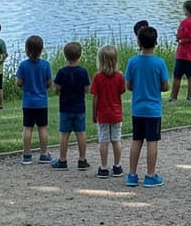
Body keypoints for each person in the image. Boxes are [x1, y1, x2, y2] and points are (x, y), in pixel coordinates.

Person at [124, 25, 169, 187]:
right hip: (153, 110)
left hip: (137, 109)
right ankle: (150, 175)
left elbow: (128, 85)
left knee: (136, 140)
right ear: (156, 42)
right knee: (152, 141)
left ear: (138, 42)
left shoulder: (132, 62)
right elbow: (165, 86)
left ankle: (132, 174)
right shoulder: (159, 63)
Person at [50, 42, 91, 170]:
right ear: (80, 56)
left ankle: (62, 160)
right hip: (79, 107)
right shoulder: (83, 72)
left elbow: (56, 89)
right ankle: (82, 159)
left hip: (65, 108)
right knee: (81, 133)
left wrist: (60, 91)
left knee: (64, 134)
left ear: (65, 56)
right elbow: (87, 89)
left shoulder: (62, 72)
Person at [15, 35, 53, 164]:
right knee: (42, 128)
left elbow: (19, 82)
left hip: (28, 102)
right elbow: (49, 82)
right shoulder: (45, 65)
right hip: (42, 102)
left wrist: (25, 88)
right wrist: (43, 88)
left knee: (28, 128)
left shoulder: (23, 65)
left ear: (26, 49)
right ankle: (43, 154)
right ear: (41, 49)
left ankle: (26, 155)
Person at [91, 45, 125, 178]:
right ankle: (117, 166)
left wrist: (94, 114)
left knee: (103, 141)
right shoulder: (119, 76)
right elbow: (121, 92)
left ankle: (104, 167)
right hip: (116, 114)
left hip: (103, 114)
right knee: (116, 140)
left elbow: (95, 98)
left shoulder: (98, 77)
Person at [170, 0, 191, 101]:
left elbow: (179, 36)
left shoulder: (184, 22)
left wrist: (181, 39)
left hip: (182, 54)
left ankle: (173, 97)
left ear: (187, 10)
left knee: (177, 76)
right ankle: (190, 97)